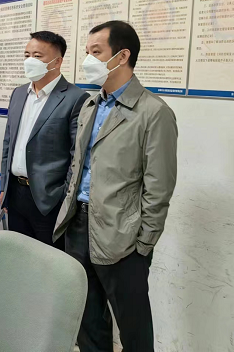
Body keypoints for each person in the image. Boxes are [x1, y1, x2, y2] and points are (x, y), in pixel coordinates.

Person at [53, 21, 178, 352]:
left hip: (123, 236)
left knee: (133, 326)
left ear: (122, 56)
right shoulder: (90, 105)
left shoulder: (153, 113)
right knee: (87, 320)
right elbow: (78, 166)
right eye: (87, 51)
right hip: (78, 225)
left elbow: (159, 186)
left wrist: (143, 243)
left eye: (96, 52)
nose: (87, 60)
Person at [0, 31, 87, 249]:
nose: (30, 61)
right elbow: (8, 143)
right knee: (17, 255)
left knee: (47, 261)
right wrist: (4, 186)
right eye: (27, 55)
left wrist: (63, 198)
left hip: (49, 200)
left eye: (37, 56)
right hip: (15, 193)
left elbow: (77, 156)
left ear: (57, 62)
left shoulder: (76, 98)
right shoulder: (19, 93)